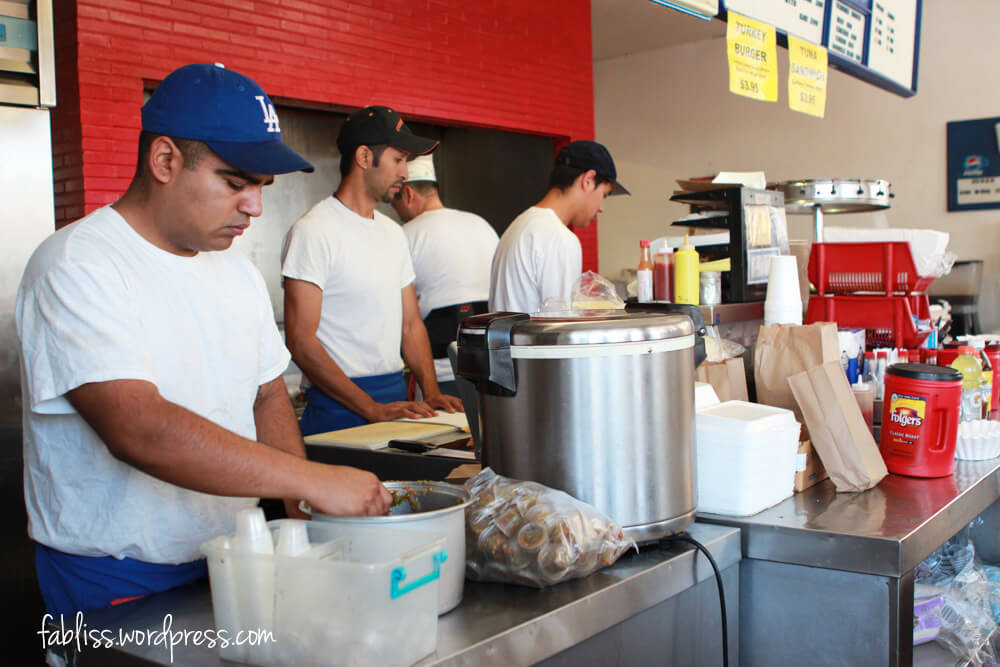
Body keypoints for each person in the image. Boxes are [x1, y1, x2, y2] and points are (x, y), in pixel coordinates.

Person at [15, 64, 393, 618]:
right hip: (118, 574)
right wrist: (313, 477)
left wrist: (299, 509)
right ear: (165, 160)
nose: (255, 208)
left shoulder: (233, 271)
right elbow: (138, 427)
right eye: (235, 183)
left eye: (261, 188)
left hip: (235, 557)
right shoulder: (78, 264)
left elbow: (267, 395)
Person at [282, 106, 464, 434]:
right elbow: (300, 339)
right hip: (338, 409)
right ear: (365, 157)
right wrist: (369, 408)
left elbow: (410, 325)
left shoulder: (392, 233)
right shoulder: (314, 231)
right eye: (398, 159)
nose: (406, 173)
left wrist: (432, 392)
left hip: (395, 399)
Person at [391, 154, 499, 395]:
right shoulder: (482, 225)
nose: (398, 212)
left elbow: (392, 313)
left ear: (408, 195)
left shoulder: (404, 235)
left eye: (395, 204)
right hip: (490, 370)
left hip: (438, 376)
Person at [489, 140, 629, 313]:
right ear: (588, 180)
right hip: (533, 340)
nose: (601, 208)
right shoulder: (559, 238)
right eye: (604, 195)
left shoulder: (518, 226)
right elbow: (561, 326)